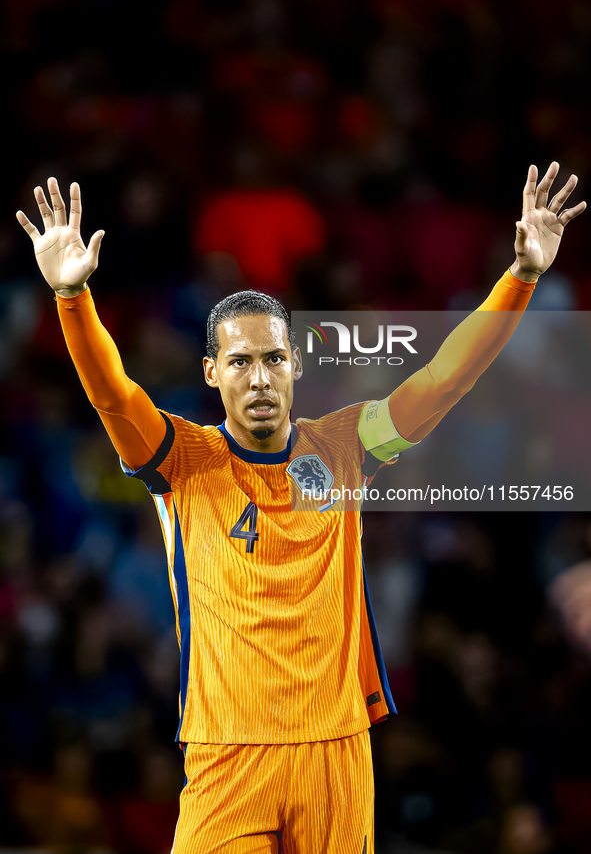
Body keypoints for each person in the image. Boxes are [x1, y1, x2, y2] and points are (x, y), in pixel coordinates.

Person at [16, 164, 585, 854]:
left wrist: (519, 276)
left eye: (273, 358)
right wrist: (72, 294)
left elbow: (443, 378)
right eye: (239, 362)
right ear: (210, 372)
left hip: (335, 752)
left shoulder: (347, 445)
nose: (258, 377)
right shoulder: (180, 459)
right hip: (228, 756)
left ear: (295, 366)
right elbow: (112, 392)